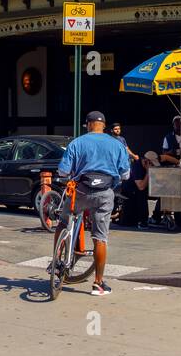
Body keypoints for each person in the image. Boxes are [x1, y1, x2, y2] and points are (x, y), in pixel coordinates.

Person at [55, 110, 130, 296]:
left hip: (81, 191)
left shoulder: (77, 143)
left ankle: (57, 261)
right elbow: (125, 174)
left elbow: (63, 172)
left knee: (63, 222)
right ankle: (98, 283)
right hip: (104, 193)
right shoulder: (117, 144)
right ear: (104, 125)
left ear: (88, 125)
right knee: (100, 238)